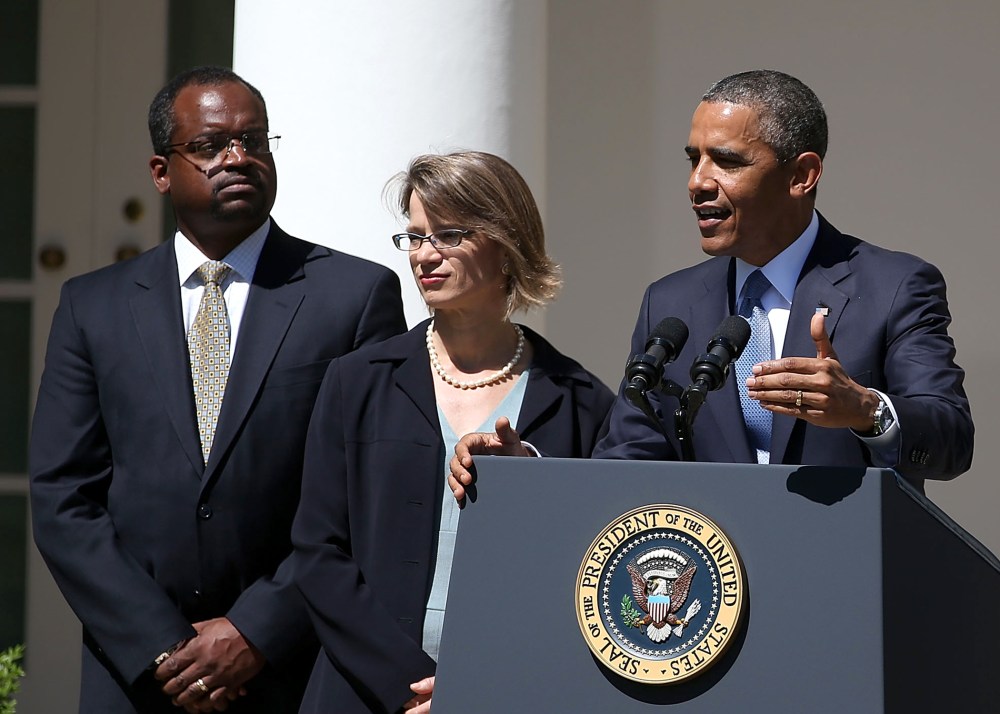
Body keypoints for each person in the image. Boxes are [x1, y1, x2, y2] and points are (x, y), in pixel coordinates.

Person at [28, 66, 406, 713]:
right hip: (141, 680)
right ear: (160, 171)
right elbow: (64, 498)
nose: (239, 157)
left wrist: (256, 629)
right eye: (210, 145)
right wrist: (160, 646)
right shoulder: (92, 307)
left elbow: (366, 488)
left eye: (254, 141)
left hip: (295, 669)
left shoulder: (352, 297)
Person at [450, 69, 973, 499]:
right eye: (693, 158)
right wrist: (525, 473)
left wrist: (865, 410)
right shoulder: (671, 303)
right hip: (711, 601)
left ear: (802, 175)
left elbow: (950, 440)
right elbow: (631, 459)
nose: (698, 182)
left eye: (726, 161)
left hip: (848, 585)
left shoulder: (894, 286)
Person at [290, 151, 615, 713]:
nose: (424, 255)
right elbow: (317, 552)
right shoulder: (357, 381)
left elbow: (586, 575)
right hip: (363, 693)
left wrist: (478, 685)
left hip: (511, 695)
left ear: (505, 242)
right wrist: (412, 686)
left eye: (448, 235)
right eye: (414, 237)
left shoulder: (581, 401)